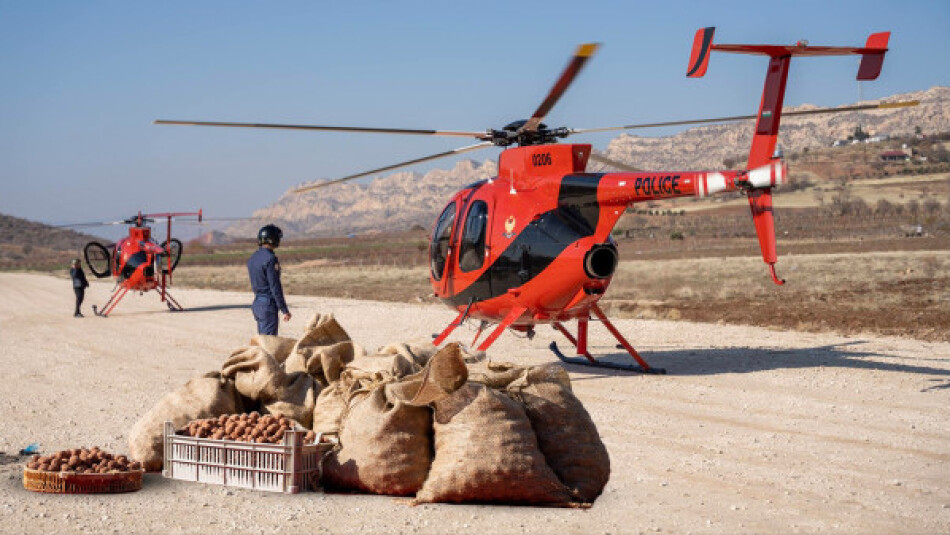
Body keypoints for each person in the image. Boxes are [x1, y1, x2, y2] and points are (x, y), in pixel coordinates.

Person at [247, 224, 291, 335]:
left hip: (257, 304)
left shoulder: (253, 258)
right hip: (268, 305)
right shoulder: (270, 259)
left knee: (262, 342)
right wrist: (284, 309)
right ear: (272, 239)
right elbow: (274, 286)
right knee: (269, 345)